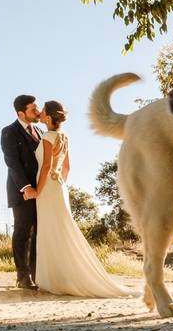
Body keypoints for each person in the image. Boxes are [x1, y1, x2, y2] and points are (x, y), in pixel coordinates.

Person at [33, 100, 132, 297]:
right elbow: (67, 166)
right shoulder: (64, 137)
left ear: (50, 117)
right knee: (61, 229)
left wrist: (38, 190)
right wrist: (59, 181)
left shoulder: (48, 136)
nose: (40, 113)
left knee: (50, 230)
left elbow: (45, 166)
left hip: (47, 188)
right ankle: (61, 276)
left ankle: (53, 279)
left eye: (43, 111)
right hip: (59, 186)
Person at [0, 94, 41, 290]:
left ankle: (36, 274)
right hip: (22, 191)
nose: (38, 112)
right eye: (33, 109)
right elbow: (12, 162)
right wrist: (26, 187)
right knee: (23, 232)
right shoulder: (9, 131)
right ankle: (23, 277)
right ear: (21, 113)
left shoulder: (40, 131)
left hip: (42, 191)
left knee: (39, 233)